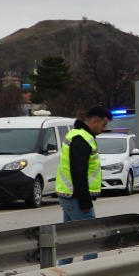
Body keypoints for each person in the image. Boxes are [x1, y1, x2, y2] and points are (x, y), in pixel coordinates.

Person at [57, 106, 111, 264]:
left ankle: (63, 275)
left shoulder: (78, 135)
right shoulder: (81, 139)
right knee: (91, 239)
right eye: (103, 125)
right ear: (94, 122)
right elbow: (78, 173)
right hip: (76, 197)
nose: (104, 129)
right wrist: (85, 202)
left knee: (70, 240)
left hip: (69, 195)